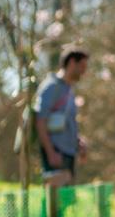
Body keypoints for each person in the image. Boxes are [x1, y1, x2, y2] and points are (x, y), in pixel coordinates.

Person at [35, 46, 90, 186]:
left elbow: (65, 122)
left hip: (68, 152)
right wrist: (51, 152)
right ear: (72, 62)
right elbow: (40, 121)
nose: (84, 71)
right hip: (56, 153)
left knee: (66, 201)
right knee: (54, 202)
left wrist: (78, 141)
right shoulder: (52, 87)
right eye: (82, 66)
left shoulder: (69, 90)